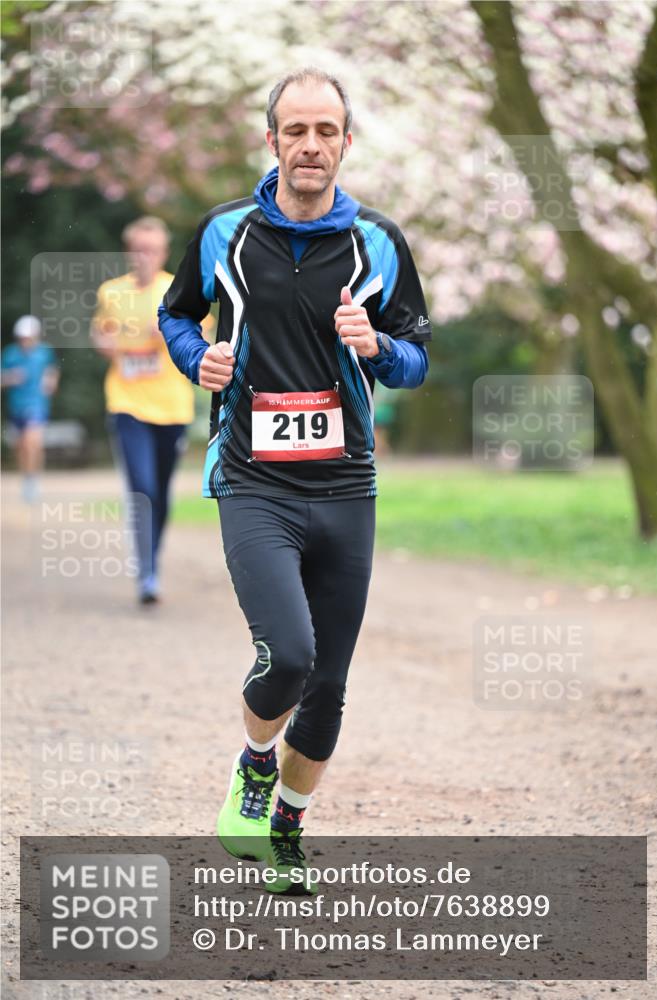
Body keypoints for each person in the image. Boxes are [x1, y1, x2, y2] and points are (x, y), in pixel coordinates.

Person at [158, 67, 431, 890]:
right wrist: (192, 356)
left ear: (347, 143)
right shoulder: (223, 232)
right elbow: (176, 313)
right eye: (294, 130)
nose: (309, 145)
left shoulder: (377, 242)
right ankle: (252, 764)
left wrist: (375, 346)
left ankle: (286, 829)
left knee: (330, 685)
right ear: (270, 140)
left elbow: (417, 358)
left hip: (347, 486)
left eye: (325, 131)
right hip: (253, 478)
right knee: (290, 655)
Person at [92, 216, 201, 605]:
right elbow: (100, 332)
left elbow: (202, 338)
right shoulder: (112, 292)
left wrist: (172, 336)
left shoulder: (178, 290)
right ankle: (147, 571)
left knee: (161, 491)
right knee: (142, 486)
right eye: (138, 250)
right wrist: (104, 342)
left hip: (172, 407)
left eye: (152, 250)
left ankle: (152, 558)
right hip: (126, 402)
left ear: (163, 253)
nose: (145, 257)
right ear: (128, 252)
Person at [1, 315, 59, 502]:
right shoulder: (10, 354)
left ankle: (33, 479)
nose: (25, 341)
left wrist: (50, 382)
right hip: (16, 405)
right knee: (20, 447)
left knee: (32, 442)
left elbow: (52, 370)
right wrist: (11, 377)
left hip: (37, 404)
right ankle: (27, 477)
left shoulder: (44, 352)